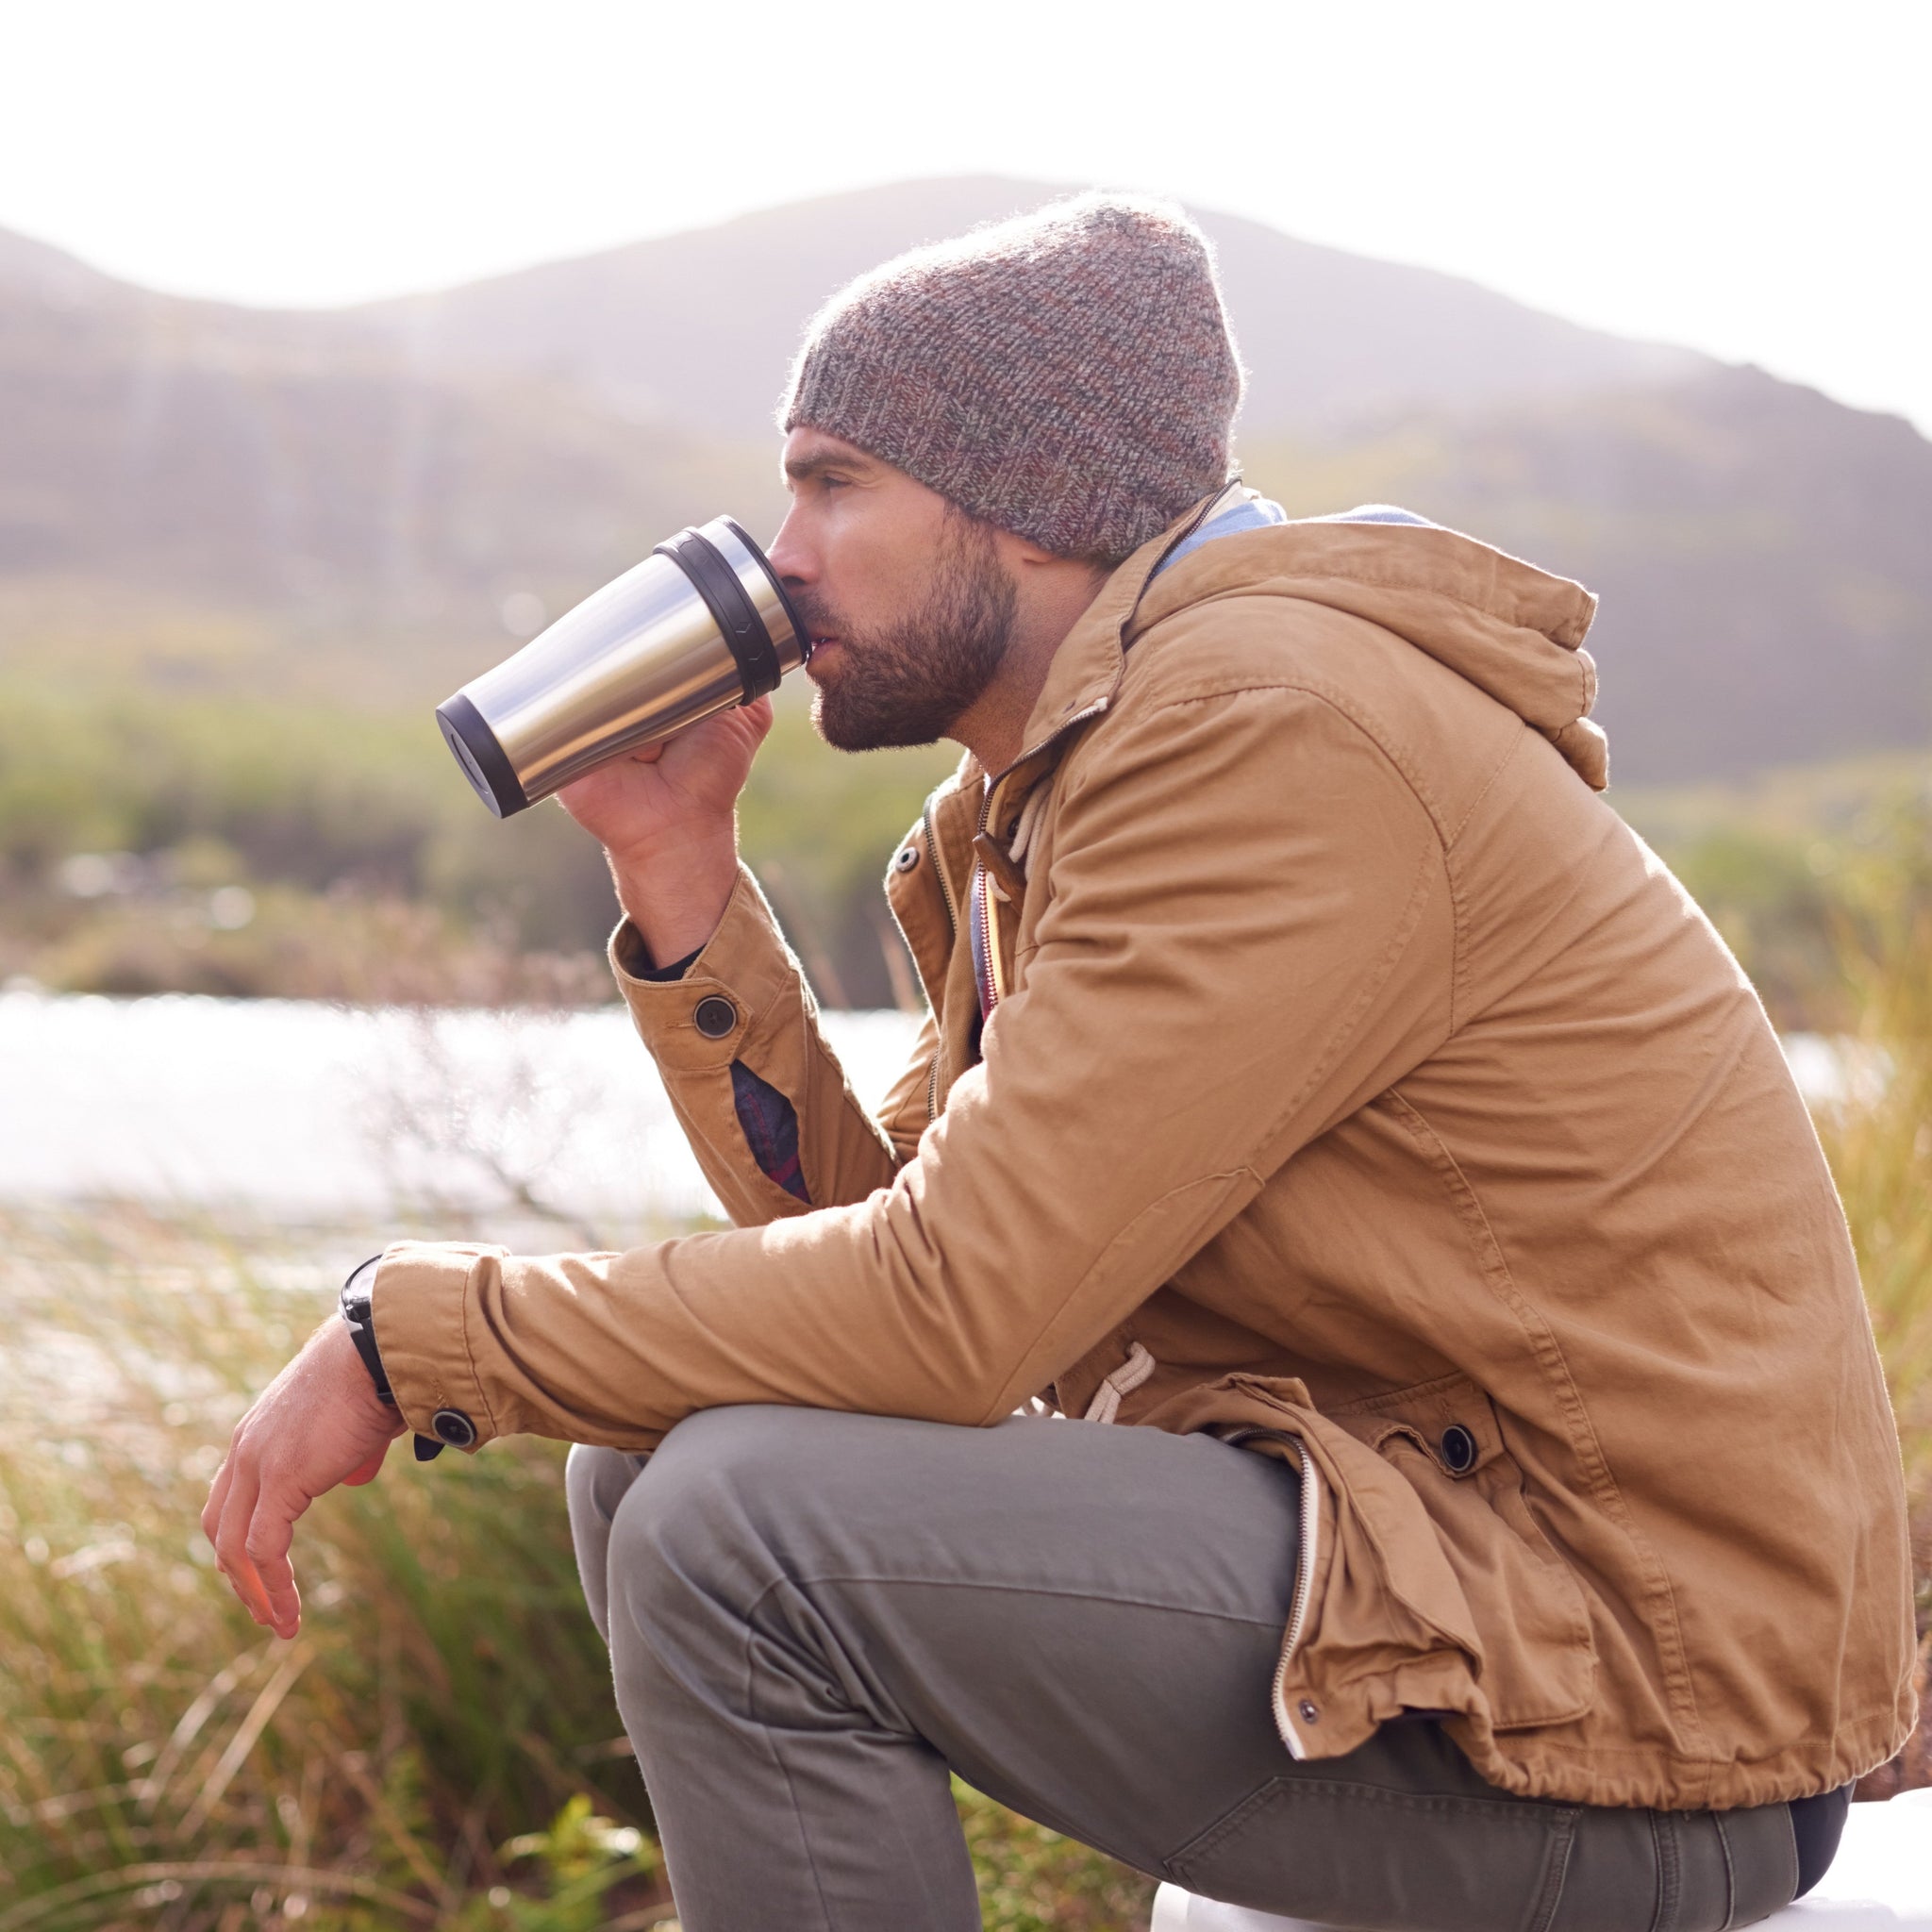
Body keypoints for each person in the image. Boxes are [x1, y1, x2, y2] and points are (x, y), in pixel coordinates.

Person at [203, 195, 1917, 1932]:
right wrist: (684, 887)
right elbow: (910, 1254)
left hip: (1641, 1724)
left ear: (1027, 510)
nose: (778, 555)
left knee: (737, 1523)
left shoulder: (1263, 733)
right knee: (656, 1457)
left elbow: (950, 1319)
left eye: (834, 480)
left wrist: (413, 1334)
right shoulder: (1060, 790)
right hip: (1468, 1589)